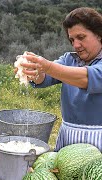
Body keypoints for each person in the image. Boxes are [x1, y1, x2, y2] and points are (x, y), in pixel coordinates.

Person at [17, 7, 102, 151]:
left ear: (99, 34)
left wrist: (47, 66)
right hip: (68, 137)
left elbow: (87, 78)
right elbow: (45, 78)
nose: (76, 45)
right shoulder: (69, 59)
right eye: (72, 40)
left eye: (81, 37)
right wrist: (33, 70)